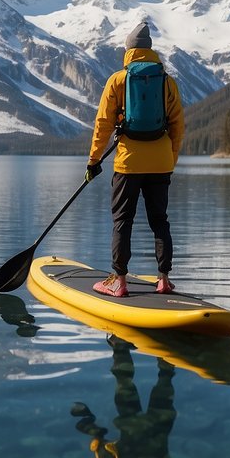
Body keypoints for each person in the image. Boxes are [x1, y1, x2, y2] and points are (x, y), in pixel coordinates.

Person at [86, 21, 184, 297]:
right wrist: (170, 159)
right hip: (161, 163)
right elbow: (177, 125)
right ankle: (163, 279)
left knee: (122, 220)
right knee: (160, 220)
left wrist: (93, 161)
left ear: (128, 51)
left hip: (128, 163)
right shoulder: (167, 82)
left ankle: (120, 280)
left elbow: (103, 124)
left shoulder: (118, 80)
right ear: (150, 51)